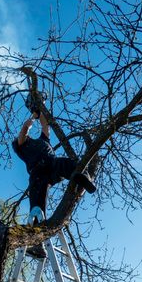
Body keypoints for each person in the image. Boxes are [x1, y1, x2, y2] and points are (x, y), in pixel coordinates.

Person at [12, 96, 96, 257]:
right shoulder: (21, 147)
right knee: (37, 206)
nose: (23, 137)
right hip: (38, 174)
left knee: (67, 164)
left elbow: (45, 125)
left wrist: (40, 109)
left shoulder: (43, 140)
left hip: (52, 165)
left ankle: (82, 179)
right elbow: (23, 131)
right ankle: (37, 245)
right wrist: (31, 119)